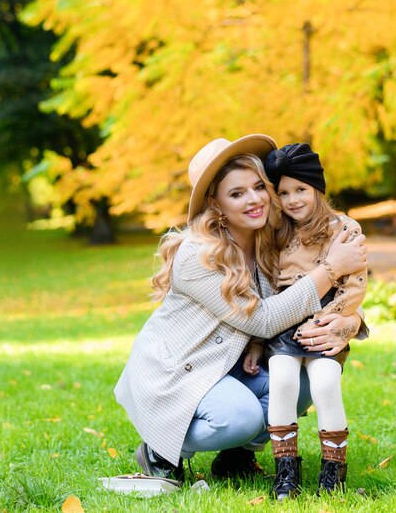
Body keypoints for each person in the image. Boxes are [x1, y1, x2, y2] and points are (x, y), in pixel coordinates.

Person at [114, 135, 368, 484]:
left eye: (258, 187)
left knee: (304, 380)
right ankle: (161, 447)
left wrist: (350, 320)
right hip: (182, 372)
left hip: (231, 363)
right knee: (240, 418)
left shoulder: (270, 238)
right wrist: (330, 269)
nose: (254, 200)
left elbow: (298, 297)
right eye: (236, 194)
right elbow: (263, 319)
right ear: (215, 205)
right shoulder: (197, 255)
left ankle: (236, 457)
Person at [243, 143, 367, 499]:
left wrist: (332, 321)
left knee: (325, 382)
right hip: (285, 315)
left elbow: (355, 284)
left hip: (327, 319)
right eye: (283, 192)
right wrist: (257, 341)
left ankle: (333, 471)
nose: (293, 199)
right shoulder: (275, 233)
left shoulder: (342, 227)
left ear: (317, 188)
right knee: (282, 379)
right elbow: (266, 289)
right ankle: (286, 471)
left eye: (301, 189)